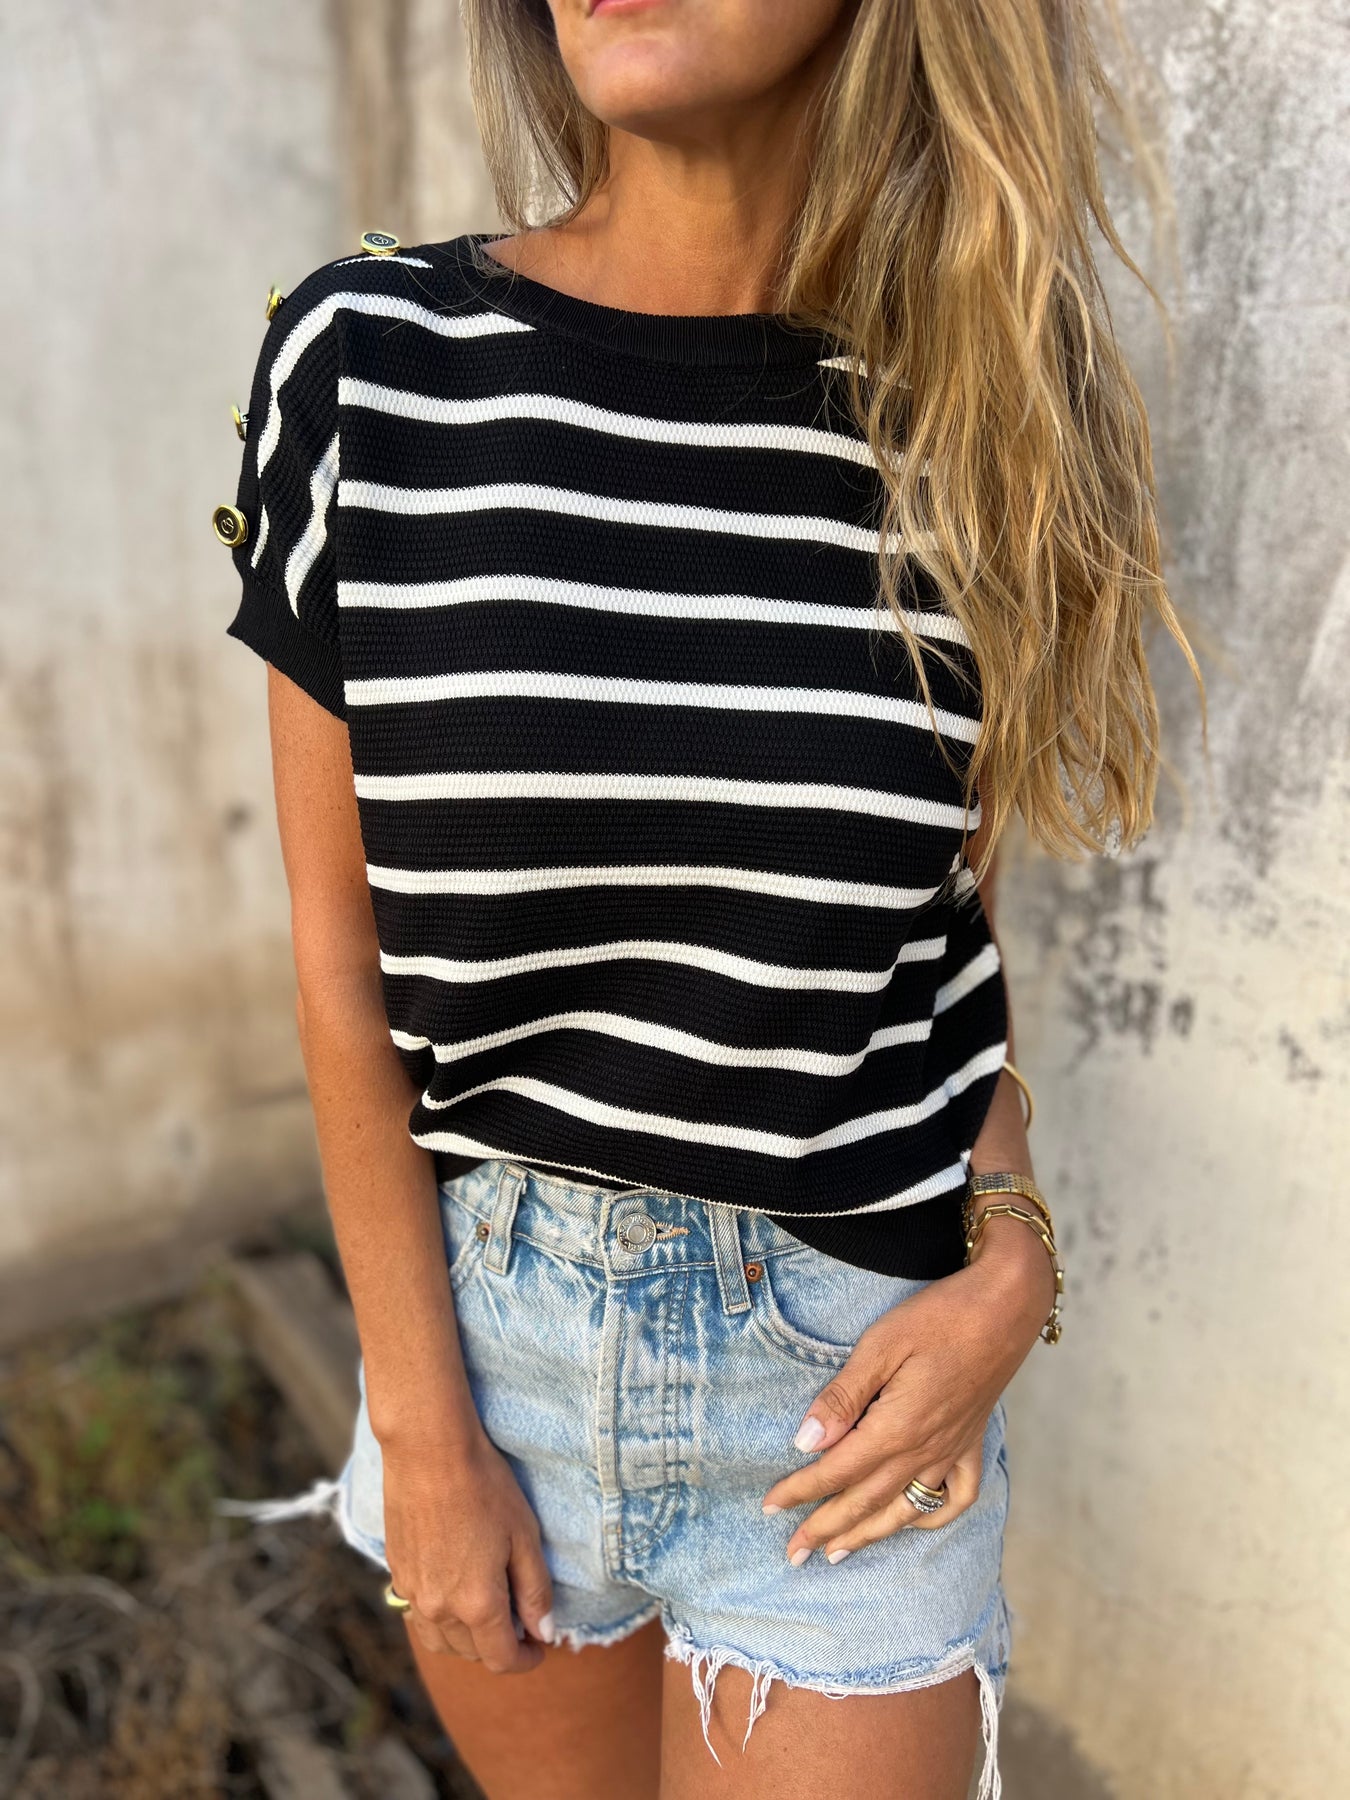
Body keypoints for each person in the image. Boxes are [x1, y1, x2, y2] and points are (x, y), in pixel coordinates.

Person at [216, 2, 1195, 1794]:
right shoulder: (368, 361)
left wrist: (1013, 1260)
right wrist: (420, 1428)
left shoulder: (988, 412)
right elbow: (339, 965)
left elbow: (932, 962)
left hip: (837, 1395)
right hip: (487, 1356)